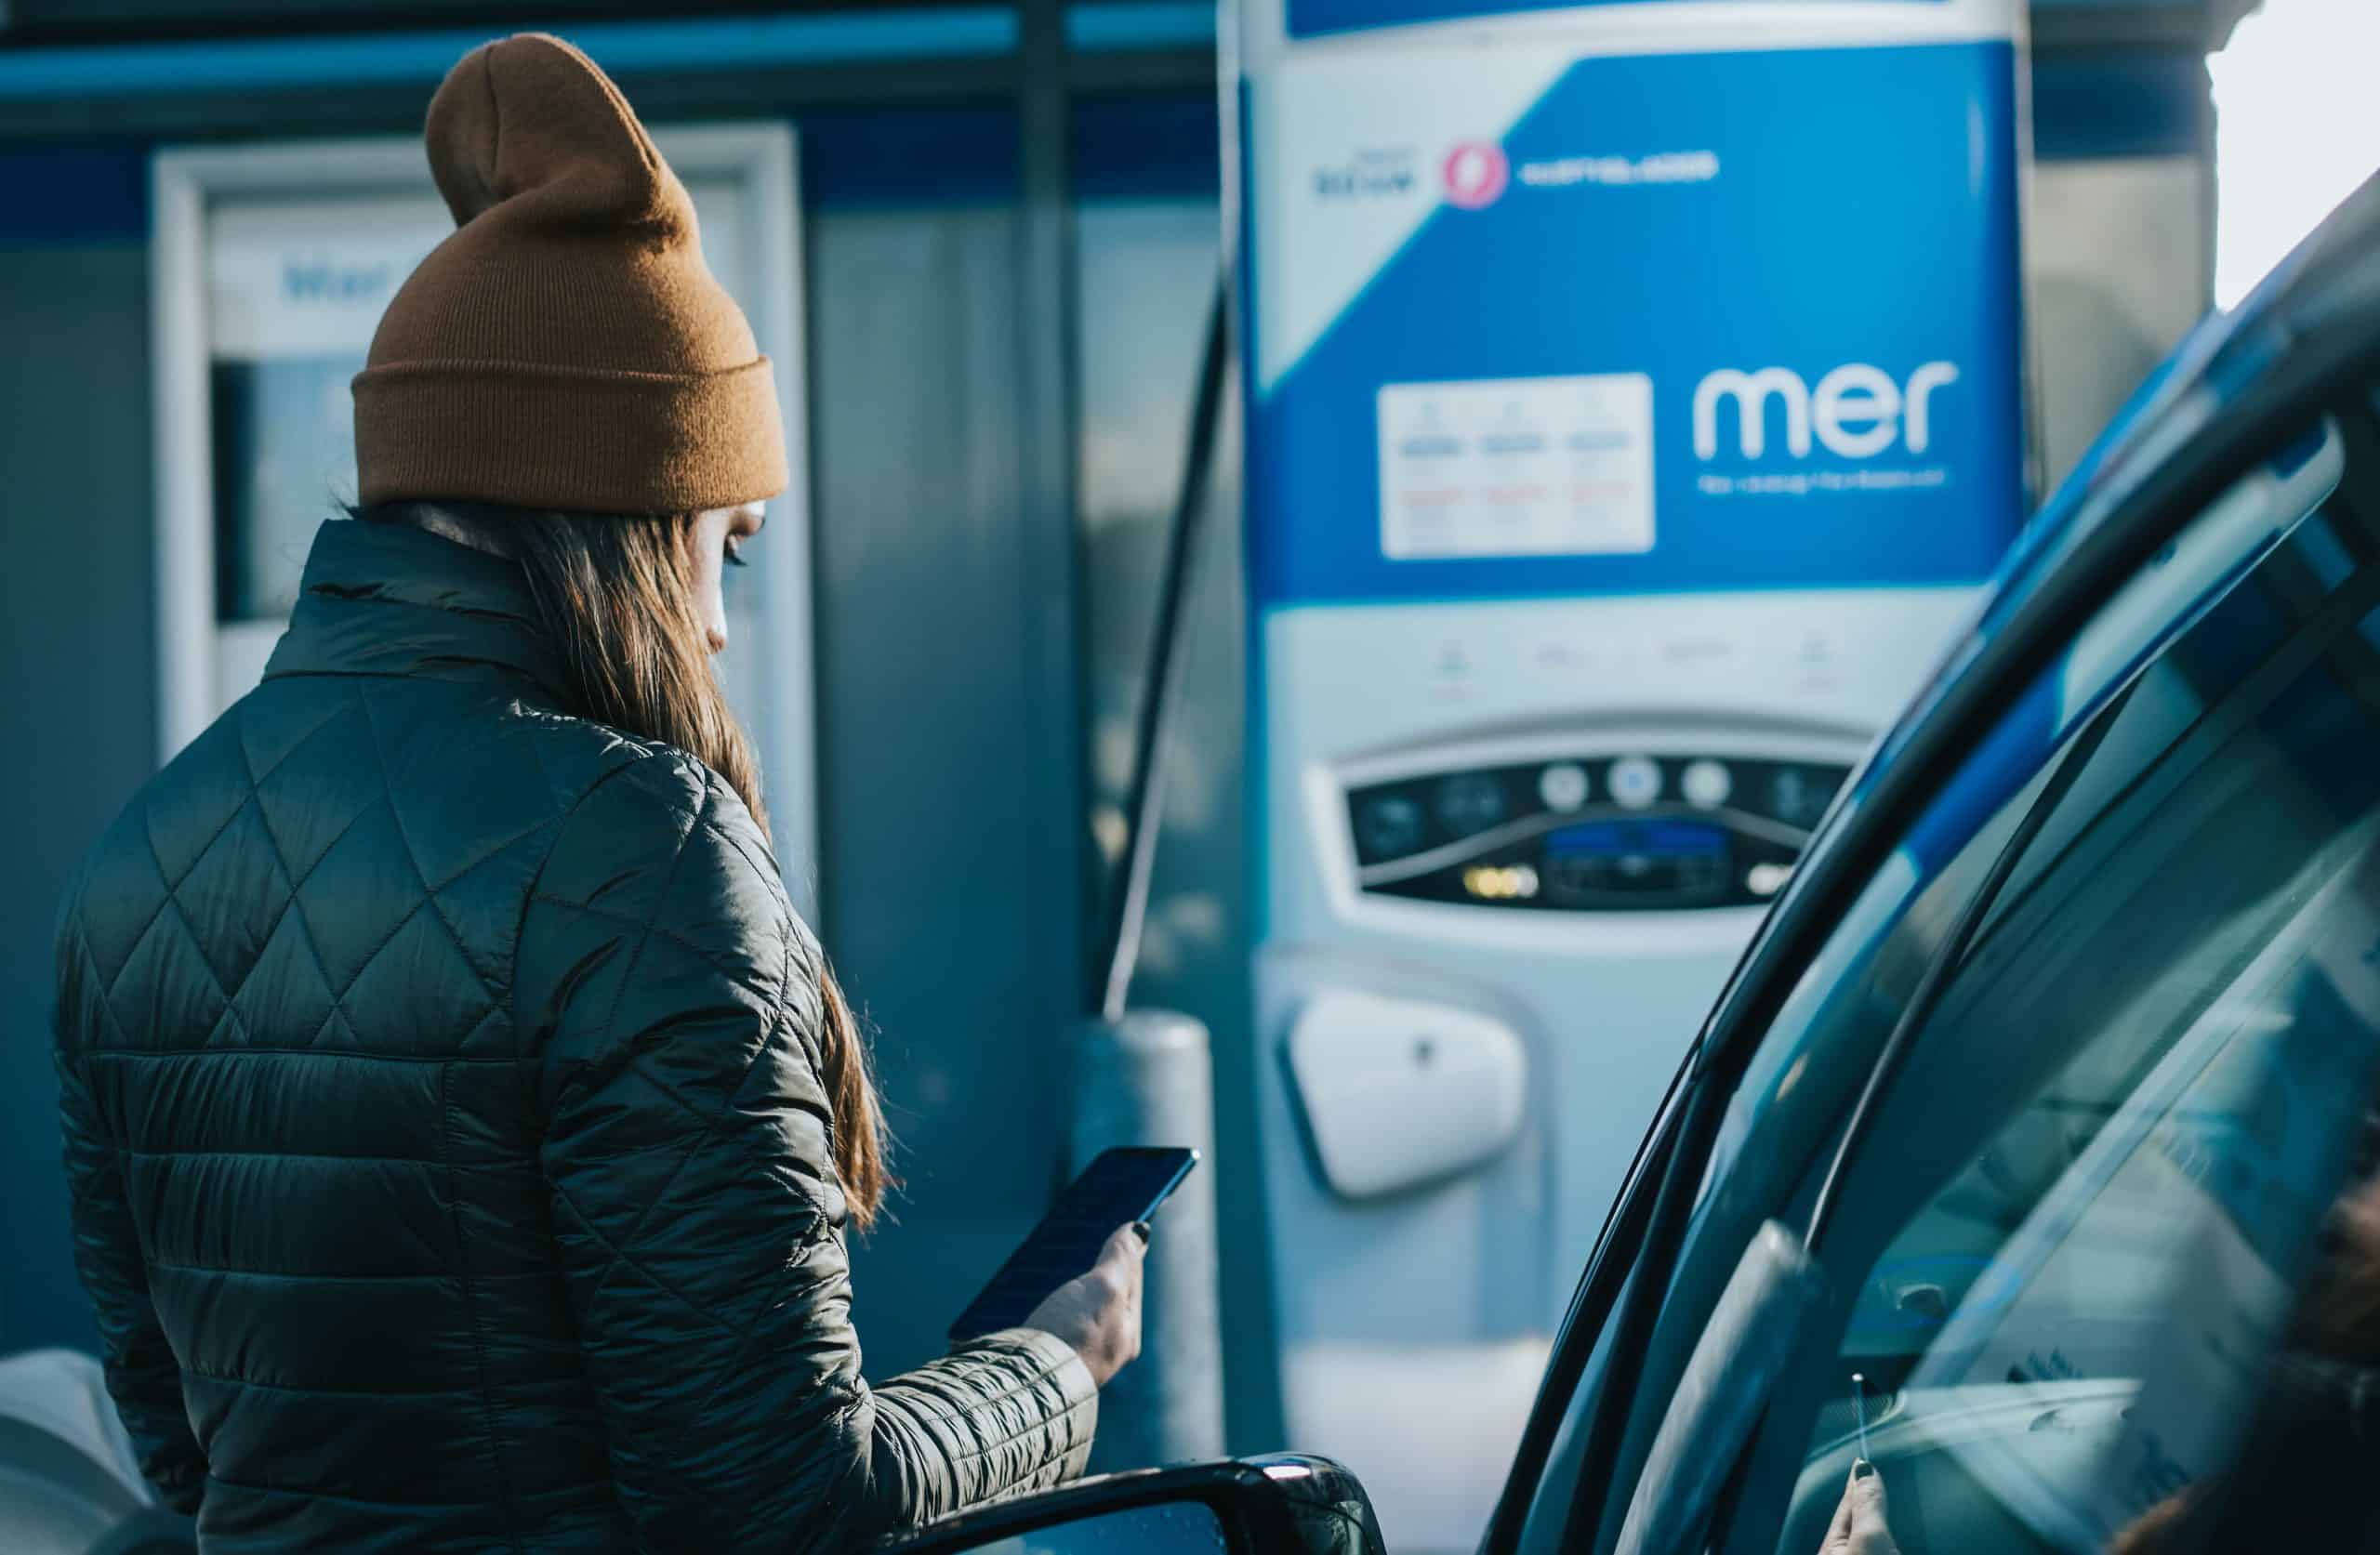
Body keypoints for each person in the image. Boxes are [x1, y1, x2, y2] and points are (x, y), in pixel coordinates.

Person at [51, 33, 1143, 1552]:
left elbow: (184, 1446)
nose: (712, 620)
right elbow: (780, 1503)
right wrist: (1054, 1366)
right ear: (624, 524)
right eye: (726, 543)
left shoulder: (134, 868)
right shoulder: (639, 854)